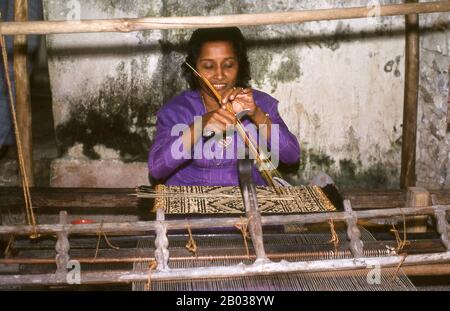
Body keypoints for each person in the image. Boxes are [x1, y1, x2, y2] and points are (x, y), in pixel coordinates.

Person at [148, 27, 300, 186]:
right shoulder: (178, 110)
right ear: (194, 69)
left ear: (239, 65)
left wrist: (257, 115)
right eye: (208, 66)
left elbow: (291, 156)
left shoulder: (260, 103)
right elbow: (157, 169)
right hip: (191, 202)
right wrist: (199, 126)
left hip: (247, 200)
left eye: (228, 65)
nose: (219, 75)